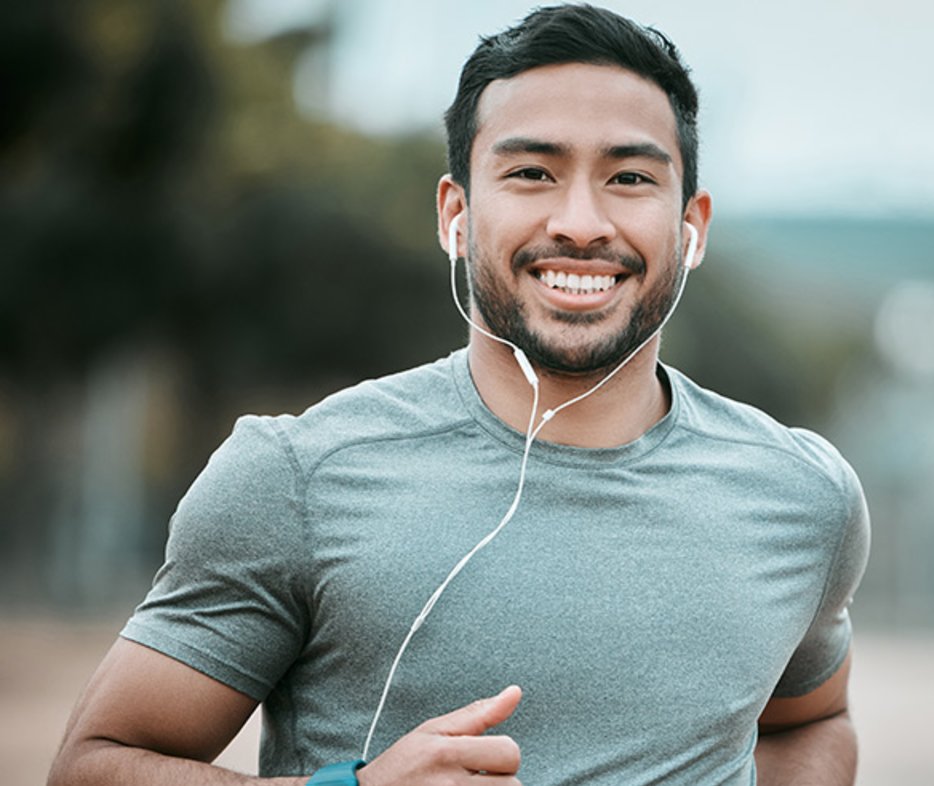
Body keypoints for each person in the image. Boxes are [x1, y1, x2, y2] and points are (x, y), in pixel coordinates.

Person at [49, 5, 869, 785]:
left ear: (691, 226)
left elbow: (809, 721)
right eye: (531, 172)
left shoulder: (803, 498)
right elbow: (93, 764)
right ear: (455, 213)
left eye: (628, 177)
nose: (581, 222)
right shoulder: (295, 478)